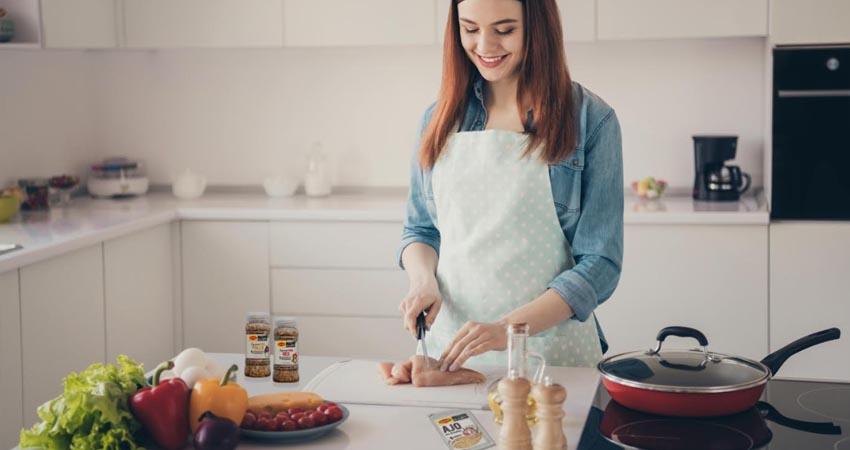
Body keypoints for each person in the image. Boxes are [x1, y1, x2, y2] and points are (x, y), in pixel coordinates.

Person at [397, 0, 623, 372]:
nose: (485, 46)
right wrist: (422, 281)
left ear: (538, 28)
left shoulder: (590, 120)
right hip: (452, 353)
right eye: (470, 29)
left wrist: (509, 329)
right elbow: (421, 229)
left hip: (550, 356)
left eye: (504, 30)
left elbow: (601, 263)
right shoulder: (438, 118)